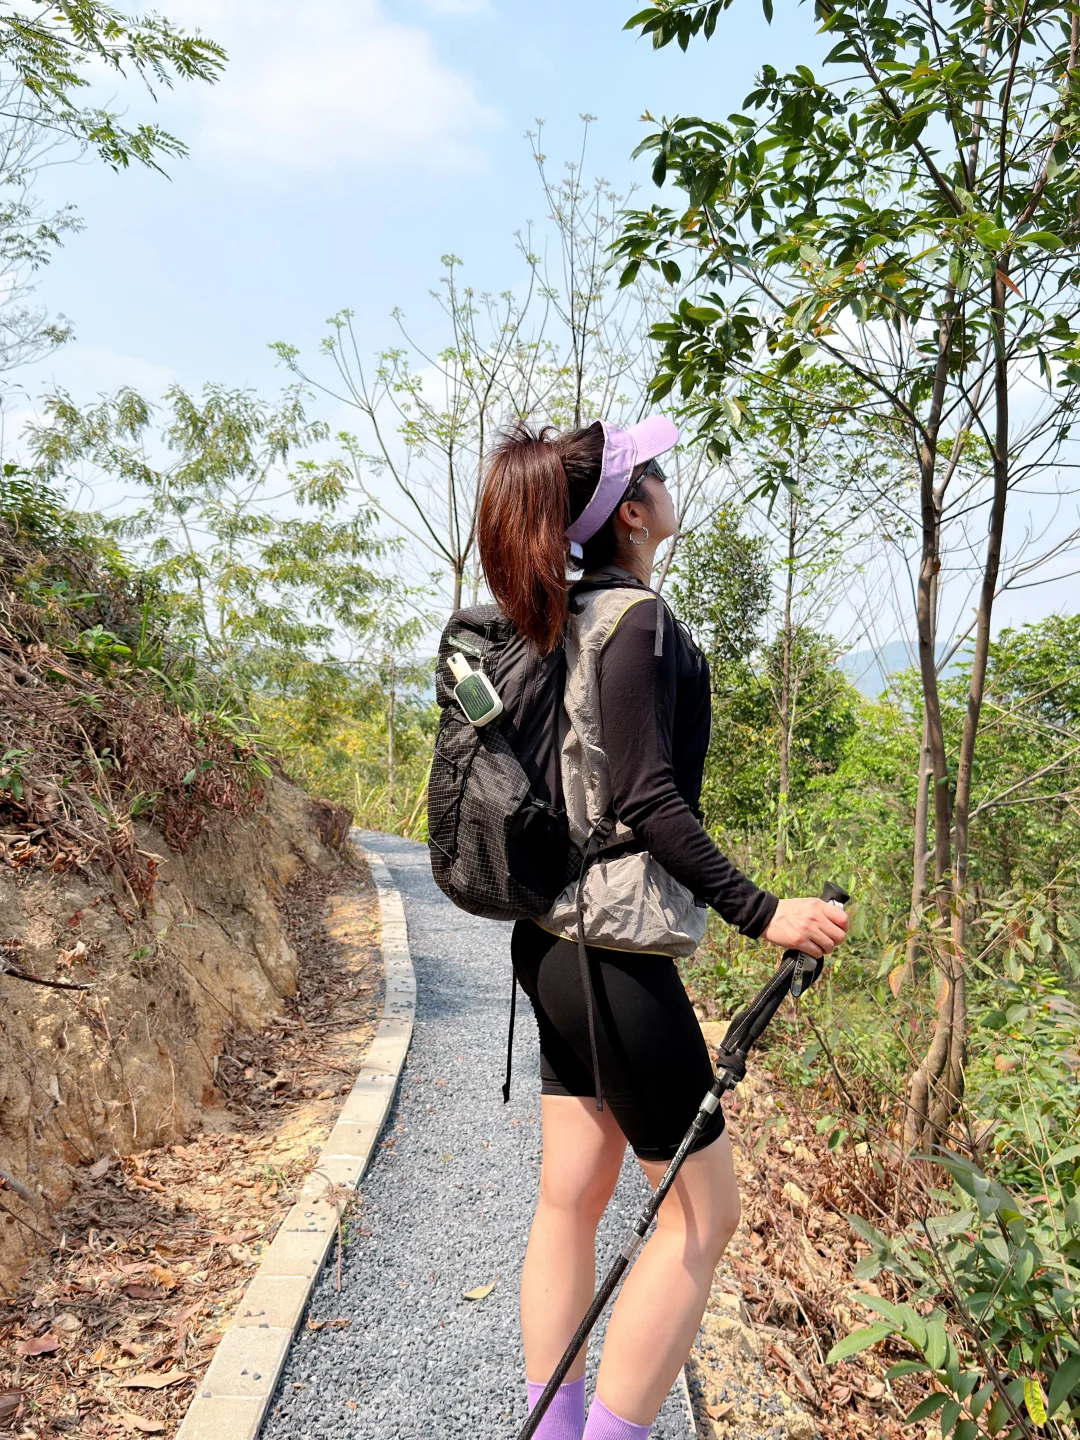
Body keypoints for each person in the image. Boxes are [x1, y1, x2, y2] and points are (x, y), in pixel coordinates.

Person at [476, 416, 849, 1440]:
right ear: (633, 515)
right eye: (656, 473)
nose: (667, 481)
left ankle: (554, 1430)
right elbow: (649, 799)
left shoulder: (559, 618)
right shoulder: (635, 620)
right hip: (614, 958)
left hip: (553, 945)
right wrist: (766, 912)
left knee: (570, 1198)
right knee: (703, 1215)